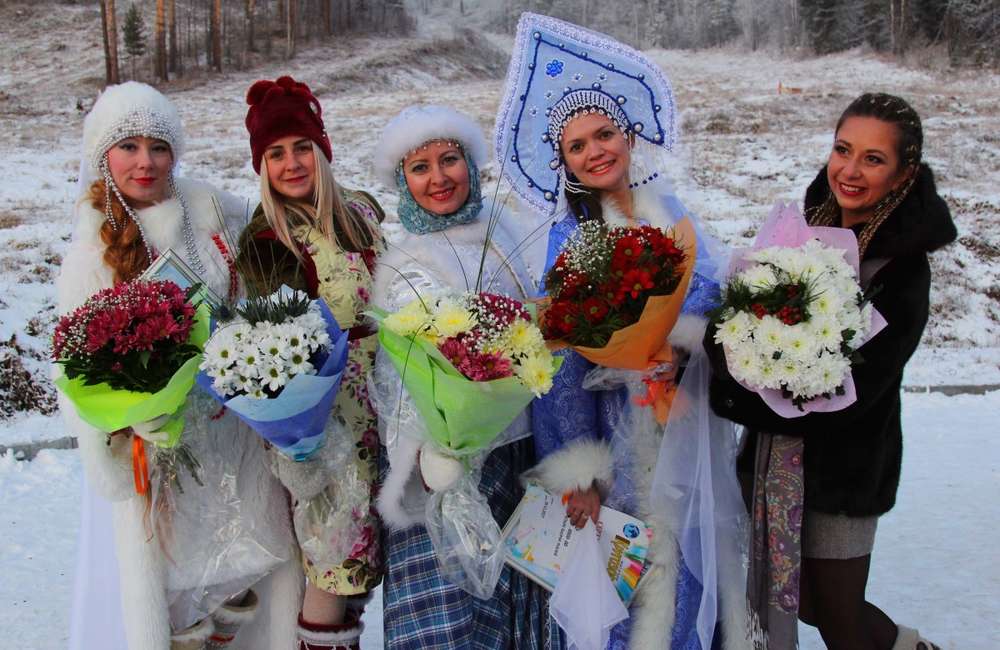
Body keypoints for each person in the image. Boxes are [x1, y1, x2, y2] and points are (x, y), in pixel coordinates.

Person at [494, 13, 748, 650]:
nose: (594, 152)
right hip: (613, 427)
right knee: (624, 580)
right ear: (565, 164)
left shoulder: (672, 213)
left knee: (684, 566)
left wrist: (682, 347)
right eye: (576, 147)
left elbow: (709, 297)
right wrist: (581, 468)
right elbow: (558, 355)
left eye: (603, 133)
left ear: (629, 136)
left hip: (679, 423)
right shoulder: (569, 239)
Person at [707, 93, 957, 650]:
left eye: (873, 159)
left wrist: (733, 396)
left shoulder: (903, 267)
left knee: (839, 616)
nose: (849, 169)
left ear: (902, 174)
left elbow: (859, 394)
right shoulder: (802, 233)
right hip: (774, 459)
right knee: (810, 603)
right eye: (843, 150)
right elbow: (740, 320)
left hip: (846, 467)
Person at [61, 81, 301, 650]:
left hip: (240, 446)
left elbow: (275, 264)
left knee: (258, 594)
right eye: (130, 147)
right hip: (162, 463)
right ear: (103, 155)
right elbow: (77, 378)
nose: (146, 162)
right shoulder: (90, 254)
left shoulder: (216, 212)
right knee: (177, 612)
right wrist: (120, 437)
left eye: (159, 146)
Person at [369, 104, 549, 649]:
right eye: (420, 167)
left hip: (516, 453)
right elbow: (400, 374)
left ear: (472, 164)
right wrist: (436, 452)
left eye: (450, 159)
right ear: (403, 180)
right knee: (447, 611)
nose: (439, 177)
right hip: (438, 461)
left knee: (515, 599)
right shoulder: (403, 258)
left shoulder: (508, 232)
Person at [236, 75, 384, 650]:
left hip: (389, 412)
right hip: (328, 430)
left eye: (302, 147)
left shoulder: (361, 215)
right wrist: (294, 449)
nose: (292, 163)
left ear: (323, 150)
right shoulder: (269, 240)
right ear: (262, 166)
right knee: (335, 562)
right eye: (276, 154)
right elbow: (275, 350)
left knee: (368, 567)